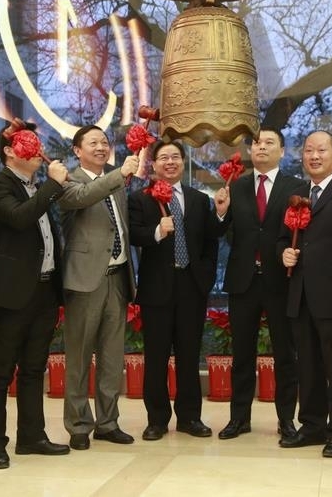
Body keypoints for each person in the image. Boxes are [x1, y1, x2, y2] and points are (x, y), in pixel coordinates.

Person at [0, 121, 71, 470]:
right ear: (9, 151)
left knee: (33, 369)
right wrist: (52, 185)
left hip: (44, 290)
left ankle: (32, 437)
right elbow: (19, 218)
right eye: (27, 144)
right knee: (0, 371)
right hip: (11, 293)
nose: (37, 150)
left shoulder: (37, 187)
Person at [213, 127, 305, 443]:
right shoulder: (235, 187)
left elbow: (301, 232)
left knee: (285, 354)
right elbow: (220, 231)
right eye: (256, 143)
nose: (261, 147)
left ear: (282, 151)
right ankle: (239, 418)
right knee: (242, 354)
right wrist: (220, 213)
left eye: (269, 143)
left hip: (281, 280)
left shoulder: (296, 187)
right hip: (244, 280)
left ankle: (286, 420)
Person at [128, 140, 219, 441]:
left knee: (189, 356)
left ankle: (190, 417)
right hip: (157, 289)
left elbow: (210, 241)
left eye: (175, 157)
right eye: (164, 157)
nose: (170, 162)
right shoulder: (140, 199)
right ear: (153, 164)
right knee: (156, 358)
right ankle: (156, 420)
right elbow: (133, 234)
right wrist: (157, 231)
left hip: (192, 287)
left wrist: (205, 277)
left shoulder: (198, 199)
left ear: (183, 161)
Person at [57, 124, 140, 450]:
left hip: (117, 278)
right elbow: (83, 197)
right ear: (77, 150)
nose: (101, 147)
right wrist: (120, 174)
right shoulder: (68, 181)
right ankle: (78, 424)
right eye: (93, 142)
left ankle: (108, 423)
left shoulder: (115, 183)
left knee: (111, 357)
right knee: (79, 358)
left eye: (105, 142)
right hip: (84, 281)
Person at [278, 130, 332, 457]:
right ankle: (312, 426)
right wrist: (284, 253)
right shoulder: (297, 193)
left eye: (321, 150)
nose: (314, 156)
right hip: (300, 294)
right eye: (309, 150)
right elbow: (283, 238)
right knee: (308, 365)